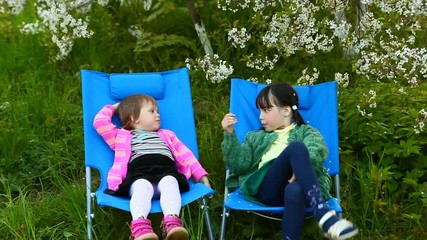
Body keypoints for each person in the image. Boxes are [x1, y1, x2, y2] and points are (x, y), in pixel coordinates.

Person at [221, 83, 358, 240]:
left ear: (286, 110)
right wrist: (229, 134)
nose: (260, 116)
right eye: (260, 111)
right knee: (296, 148)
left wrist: (299, 169)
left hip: (300, 190)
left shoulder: (308, 133)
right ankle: (322, 211)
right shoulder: (255, 137)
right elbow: (239, 166)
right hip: (268, 190)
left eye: (266, 110)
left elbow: (316, 151)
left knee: (295, 188)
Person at [94, 94, 211, 240]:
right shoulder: (121, 136)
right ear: (133, 118)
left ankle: (172, 224)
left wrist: (201, 176)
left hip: (167, 172)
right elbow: (100, 123)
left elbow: (187, 155)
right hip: (139, 175)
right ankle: (140, 228)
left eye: (157, 111)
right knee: (142, 186)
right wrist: (115, 107)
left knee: (171, 182)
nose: (158, 115)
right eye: (152, 111)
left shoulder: (167, 135)